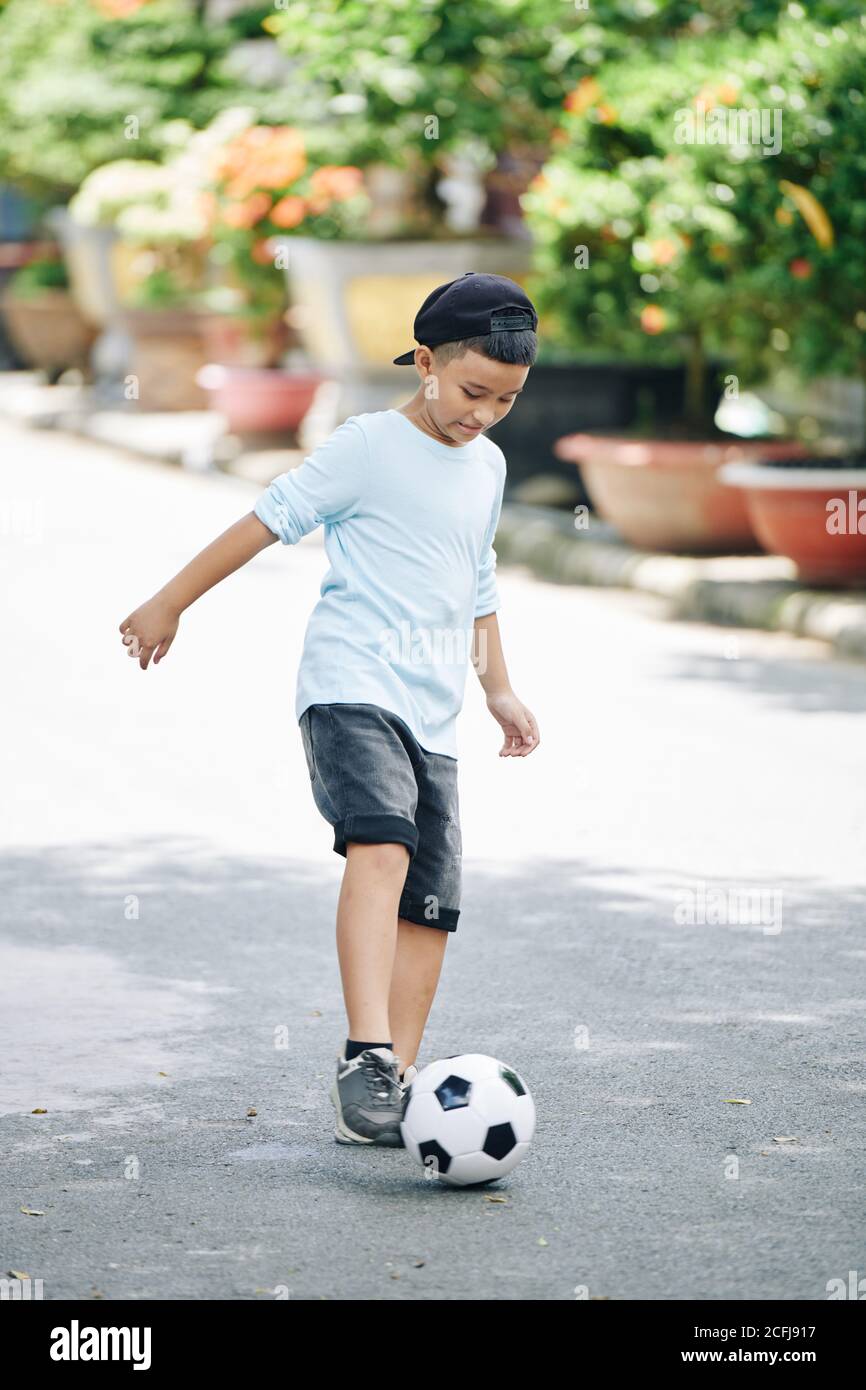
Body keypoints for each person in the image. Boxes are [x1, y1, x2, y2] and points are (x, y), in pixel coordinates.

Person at [118, 272, 541, 1148]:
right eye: (471, 392)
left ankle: (397, 1090)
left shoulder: (489, 464)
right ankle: (368, 1054)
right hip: (351, 685)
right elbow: (265, 520)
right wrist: (170, 601)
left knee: (432, 900)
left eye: (505, 400)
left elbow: (478, 579)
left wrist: (498, 685)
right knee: (381, 842)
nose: (485, 415)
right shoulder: (367, 446)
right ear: (425, 362)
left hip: (435, 707)